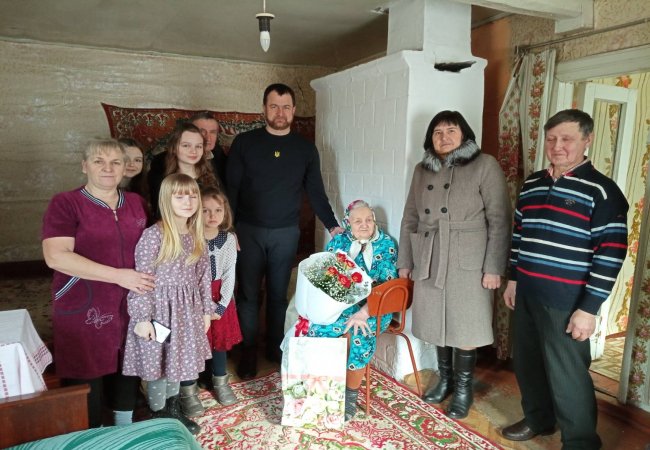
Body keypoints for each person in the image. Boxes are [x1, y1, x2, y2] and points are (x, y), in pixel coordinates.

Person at [501, 109, 629, 449]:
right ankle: (539, 420)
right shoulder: (532, 184)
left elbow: (611, 255)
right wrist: (513, 279)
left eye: (567, 139)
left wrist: (588, 309)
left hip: (567, 302)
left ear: (587, 140)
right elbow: (520, 236)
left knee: (568, 375)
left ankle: (581, 442)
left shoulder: (603, 192)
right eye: (552, 139)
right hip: (527, 293)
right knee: (528, 364)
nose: (558, 146)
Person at [397, 110, 511, 419]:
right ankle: (445, 379)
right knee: (436, 322)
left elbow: (500, 219)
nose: (444, 137)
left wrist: (494, 267)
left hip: (469, 258)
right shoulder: (421, 170)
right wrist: (405, 261)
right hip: (430, 254)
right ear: (430, 138)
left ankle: (463, 389)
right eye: (437, 132)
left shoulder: (484, 165)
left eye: (451, 130)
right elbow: (410, 218)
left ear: (464, 135)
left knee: (466, 325)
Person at [226, 83, 344, 379]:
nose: (280, 112)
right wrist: (229, 229)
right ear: (264, 109)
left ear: (294, 111)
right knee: (249, 296)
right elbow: (231, 189)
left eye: (286, 107)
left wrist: (333, 225)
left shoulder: (305, 149)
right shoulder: (245, 143)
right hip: (248, 231)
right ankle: (248, 353)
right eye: (274, 106)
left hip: (285, 233)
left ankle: (274, 348)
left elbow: (316, 193)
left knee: (279, 295)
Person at [41, 139, 155, 428]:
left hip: (131, 302)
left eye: (115, 162)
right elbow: (56, 256)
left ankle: (123, 428)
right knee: (86, 375)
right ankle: (91, 434)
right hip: (84, 304)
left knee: (127, 365)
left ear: (125, 168)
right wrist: (119, 275)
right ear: (84, 166)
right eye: (98, 161)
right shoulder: (66, 203)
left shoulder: (136, 203)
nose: (108, 168)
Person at [122, 173, 214, 435]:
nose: (188, 201)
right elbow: (142, 280)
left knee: (178, 361)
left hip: (187, 312)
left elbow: (203, 277)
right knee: (159, 366)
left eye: (192, 195)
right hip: (159, 312)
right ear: (166, 199)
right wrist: (142, 318)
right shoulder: (154, 235)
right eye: (180, 196)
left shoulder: (196, 235)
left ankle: (174, 410)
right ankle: (159, 414)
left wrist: (206, 312)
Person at [306, 199, 398, 421]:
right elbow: (325, 276)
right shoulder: (339, 242)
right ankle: (323, 388)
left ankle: (349, 397)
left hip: (375, 307)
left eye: (368, 220)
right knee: (316, 328)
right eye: (358, 221)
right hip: (340, 306)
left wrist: (364, 312)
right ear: (348, 223)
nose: (364, 225)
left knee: (357, 332)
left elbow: (387, 286)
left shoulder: (386, 244)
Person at [148, 122, 219, 219]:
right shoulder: (161, 179)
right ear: (174, 148)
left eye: (198, 146)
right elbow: (160, 213)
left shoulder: (210, 175)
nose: (193, 151)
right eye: (186, 145)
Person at [149, 112, 227, 197]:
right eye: (202, 131)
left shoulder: (218, 154)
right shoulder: (161, 162)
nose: (208, 138)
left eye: (213, 132)